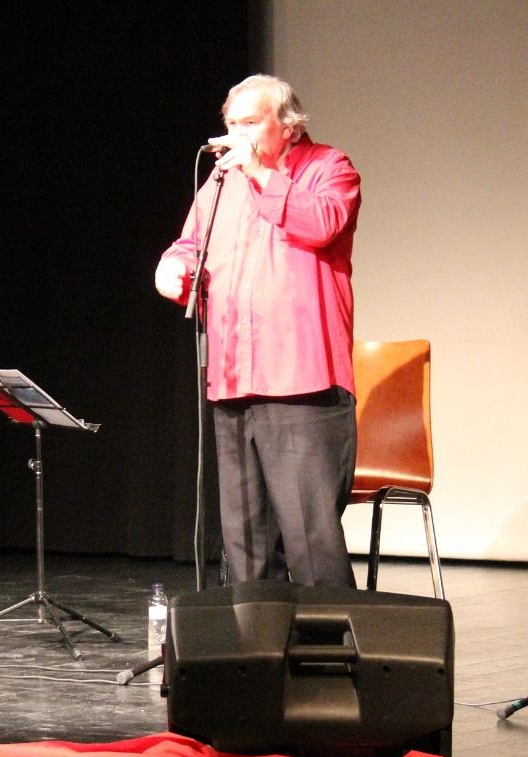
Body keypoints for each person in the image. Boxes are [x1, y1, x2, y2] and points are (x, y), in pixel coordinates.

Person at [155, 74, 362, 587]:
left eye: (250, 123)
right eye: (231, 125)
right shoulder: (220, 184)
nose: (237, 135)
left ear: (288, 127)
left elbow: (323, 223)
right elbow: (191, 245)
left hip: (301, 385)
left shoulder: (329, 167)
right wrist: (172, 268)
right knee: (245, 543)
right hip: (232, 381)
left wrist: (261, 176)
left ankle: (333, 660)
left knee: (311, 545)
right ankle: (259, 656)